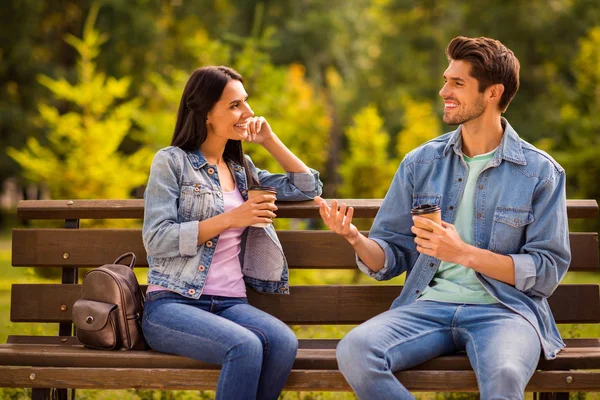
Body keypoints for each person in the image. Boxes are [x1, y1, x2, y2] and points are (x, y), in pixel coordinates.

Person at [315, 36, 570, 399]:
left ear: (493, 92)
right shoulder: (421, 163)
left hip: (505, 312)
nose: (443, 91)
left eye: (457, 83)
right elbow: (391, 255)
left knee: (505, 374)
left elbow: (545, 270)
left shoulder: (540, 172)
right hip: (427, 307)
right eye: (446, 79)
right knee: (356, 351)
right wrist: (356, 238)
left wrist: (464, 253)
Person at [142, 66, 323, 400]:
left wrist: (269, 139)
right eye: (235, 105)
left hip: (229, 304)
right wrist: (231, 218)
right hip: (172, 303)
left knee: (283, 343)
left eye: (246, 102)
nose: (248, 112)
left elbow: (307, 186)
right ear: (207, 113)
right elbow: (157, 239)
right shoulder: (171, 163)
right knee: (245, 346)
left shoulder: (241, 169)